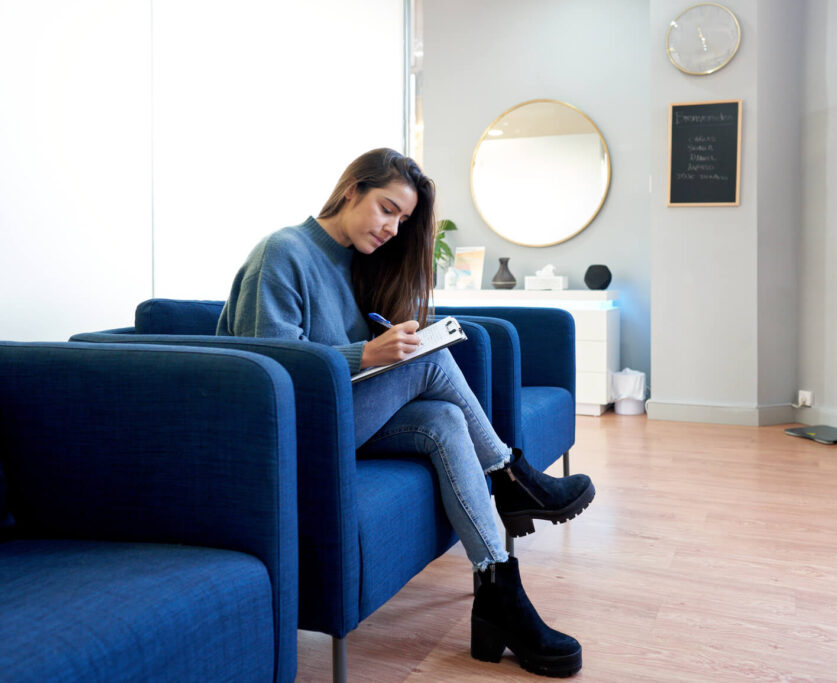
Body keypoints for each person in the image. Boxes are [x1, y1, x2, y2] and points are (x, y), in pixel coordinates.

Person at [217, 147, 595, 677]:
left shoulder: (352, 263)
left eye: (403, 219)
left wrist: (384, 338)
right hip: (287, 431)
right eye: (387, 209)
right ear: (352, 190)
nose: (394, 228)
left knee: (445, 419)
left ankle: (498, 589)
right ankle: (510, 474)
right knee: (429, 364)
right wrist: (366, 354)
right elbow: (269, 367)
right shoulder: (283, 251)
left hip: (334, 420)